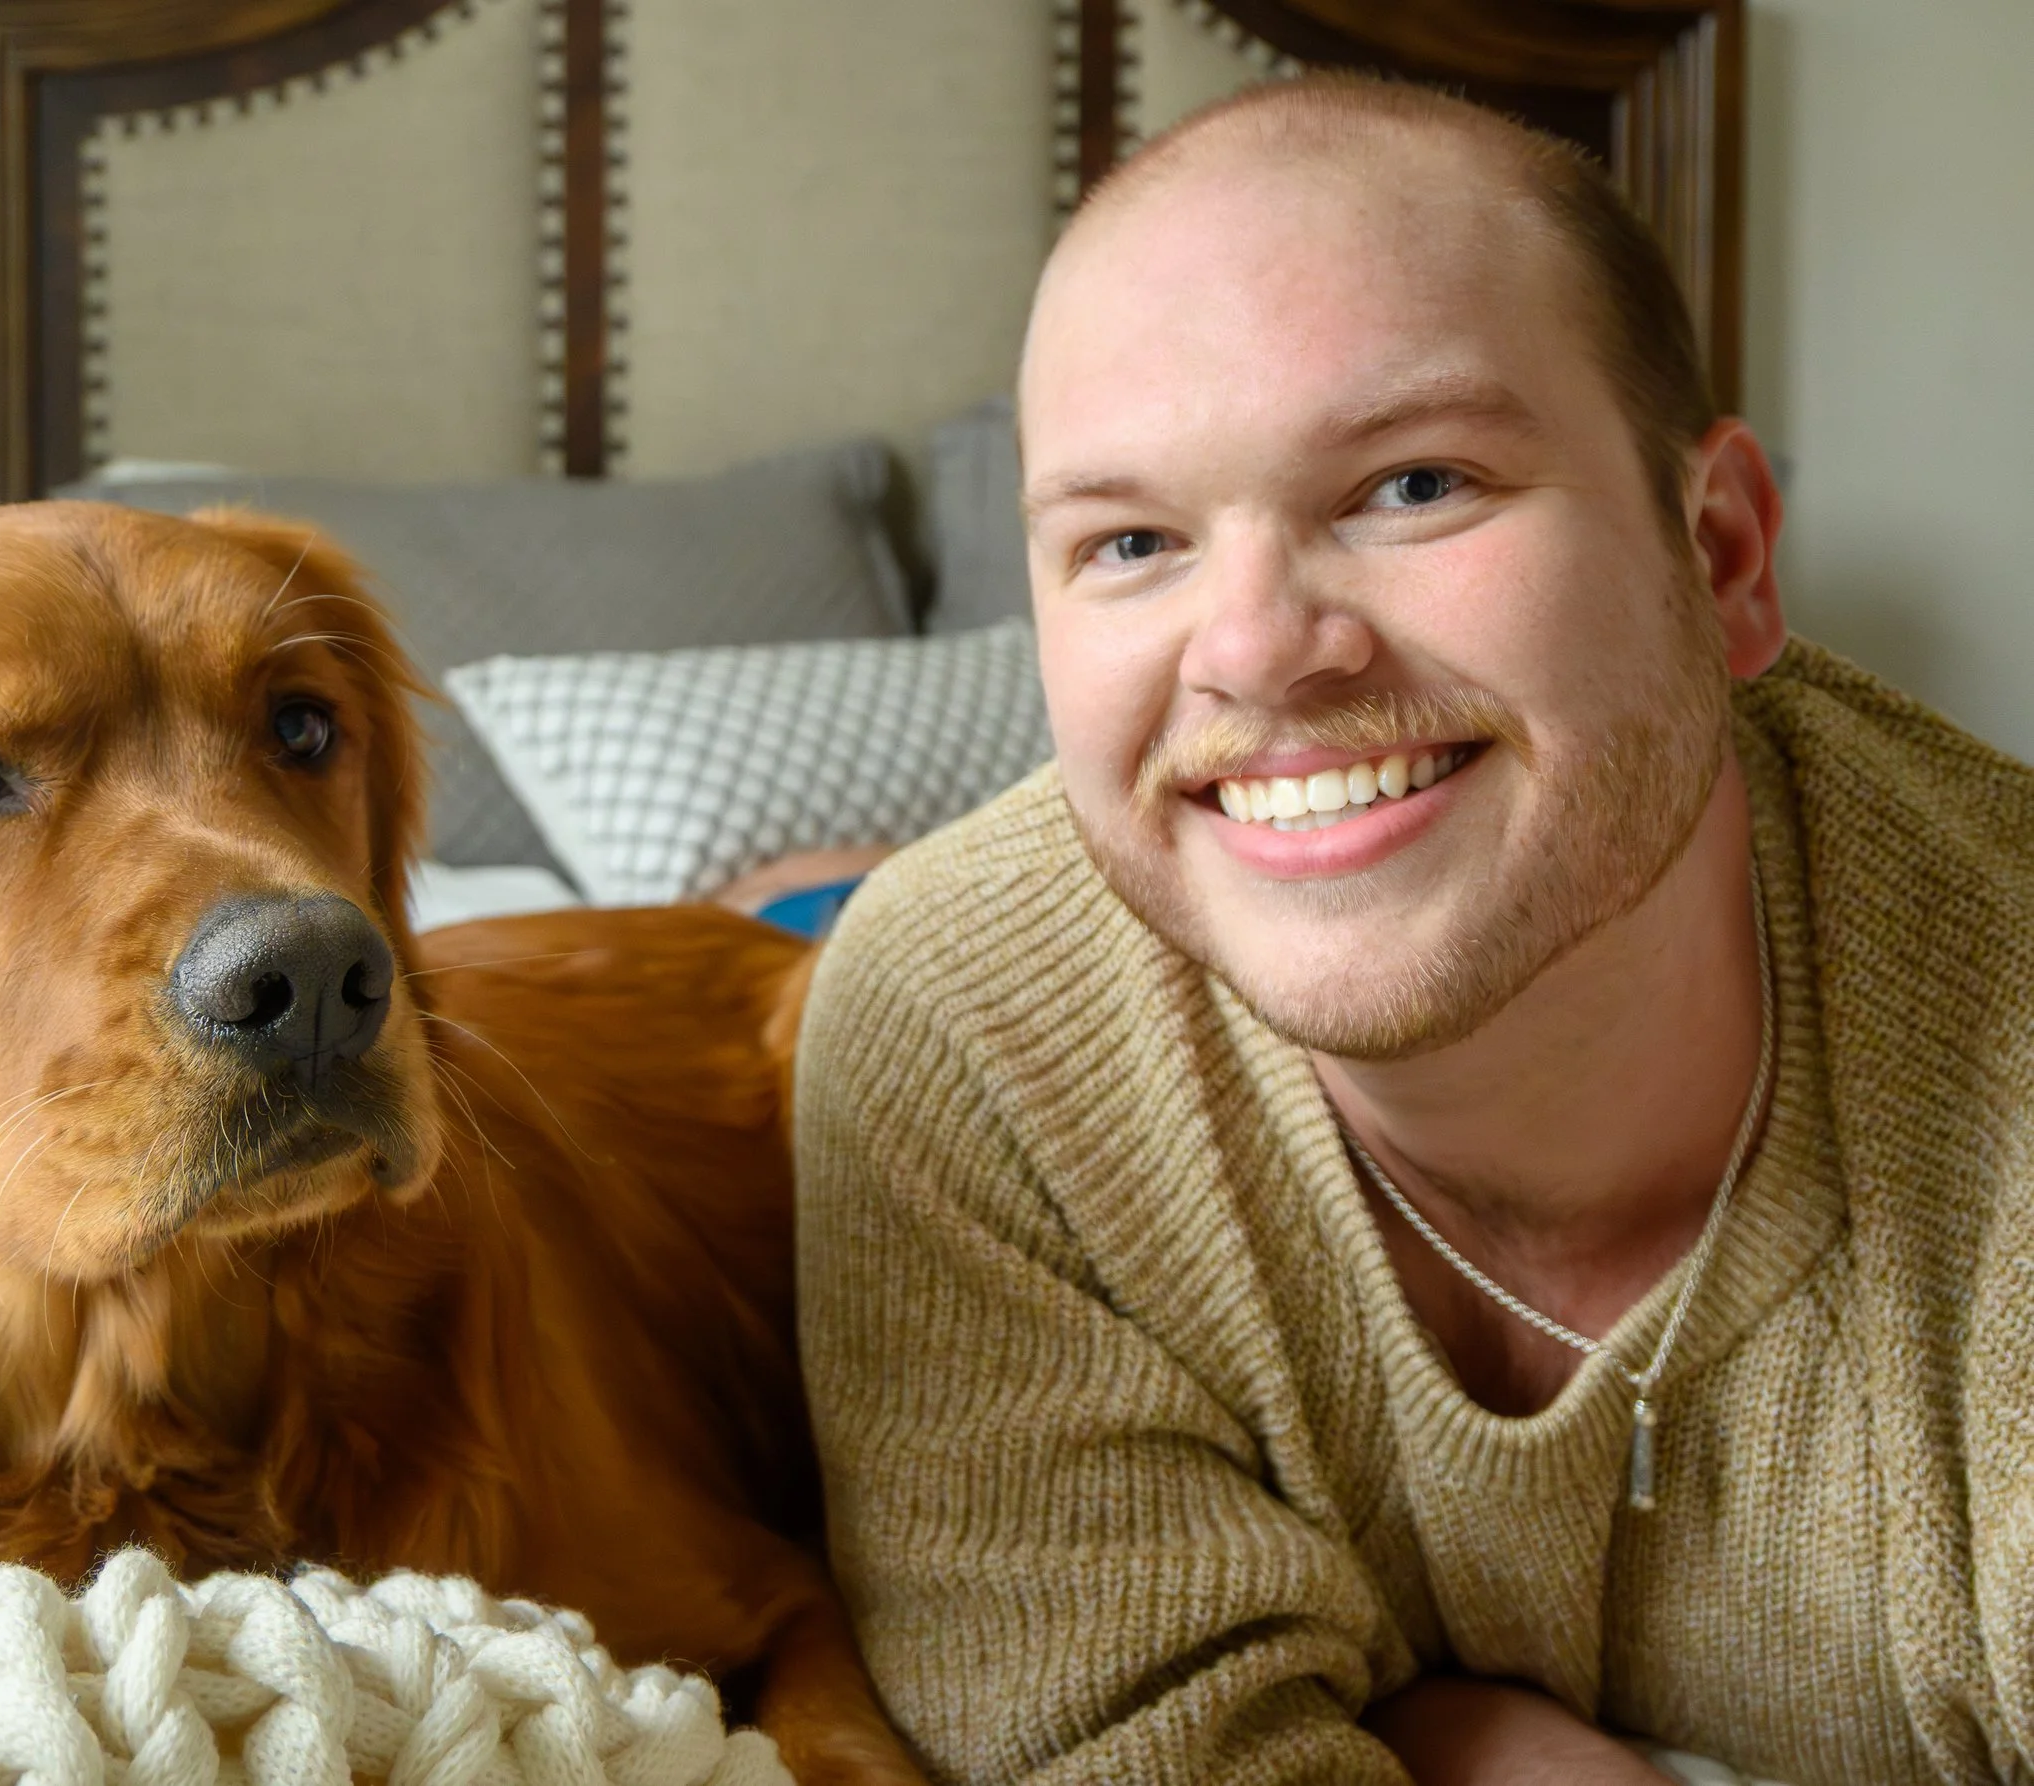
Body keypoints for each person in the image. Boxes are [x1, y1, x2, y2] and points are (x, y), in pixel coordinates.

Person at [794, 74, 2034, 1786]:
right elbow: (1129, 1744)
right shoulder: (963, 1030)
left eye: (1414, 485)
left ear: (1725, 553)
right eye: (1131, 539)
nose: (1253, 651)